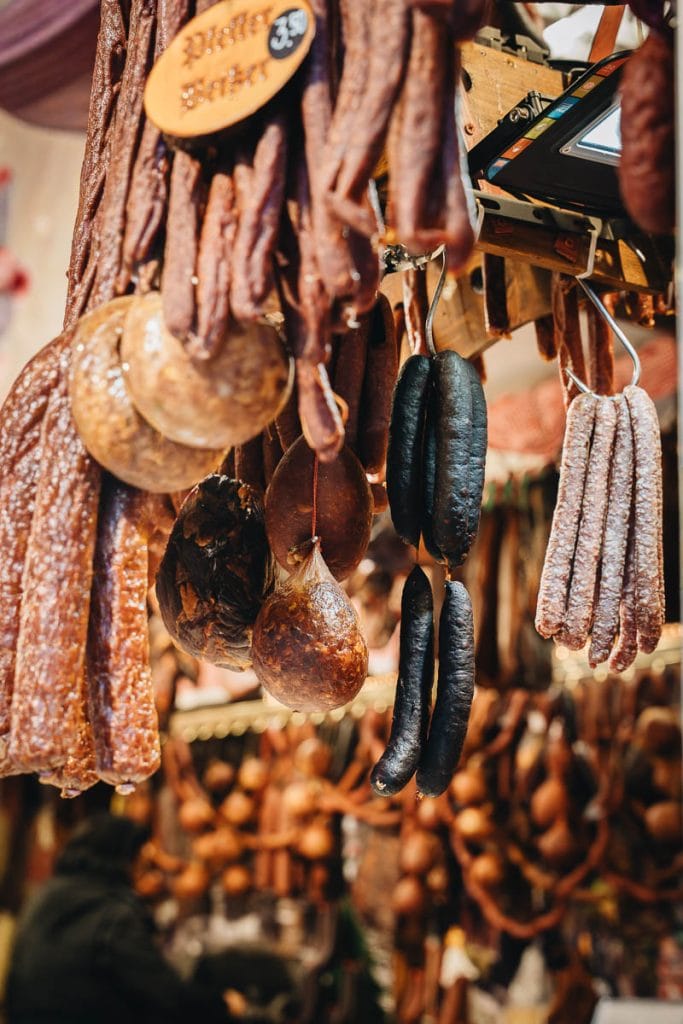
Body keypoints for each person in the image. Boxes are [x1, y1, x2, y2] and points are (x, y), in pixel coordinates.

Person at [5, 813, 232, 1024]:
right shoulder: (110, 910)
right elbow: (161, 991)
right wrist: (222, 1006)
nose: (140, 870)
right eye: (139, 862)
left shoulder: (47, 894)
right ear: (122, 859)